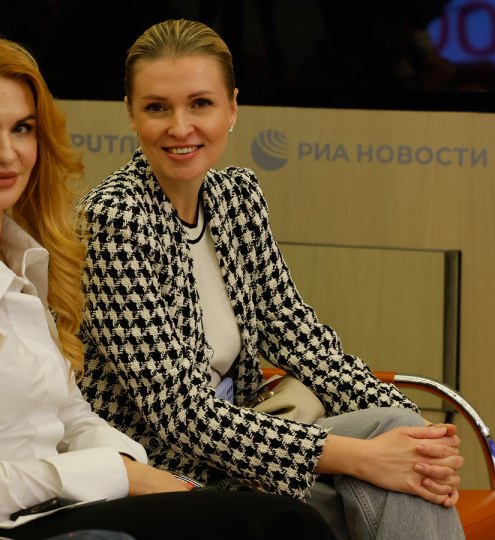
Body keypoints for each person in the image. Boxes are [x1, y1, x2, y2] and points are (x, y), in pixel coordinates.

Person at [0, 31, 336, 540]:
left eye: (22, 129)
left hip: (71, 502)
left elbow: (74, 418)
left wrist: (142, 475)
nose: (6, 153)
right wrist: (120, 476)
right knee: (282, 521)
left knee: (286, 511)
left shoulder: (26, 259)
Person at [75, 18, 465, 539]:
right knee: (390, 467)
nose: (180, 127)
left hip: (246, 458)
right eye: (157, 108)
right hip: (165, 477)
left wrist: (426, 439)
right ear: (131, 113)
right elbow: (181, 416)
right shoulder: (114, 219)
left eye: (201, 103)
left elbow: (303, 341)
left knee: (401, 434)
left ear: (232, 108)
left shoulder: (237, 197)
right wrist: (363, 456)